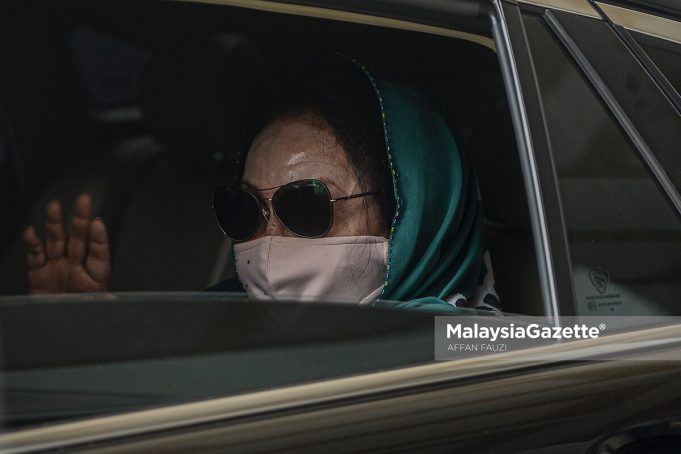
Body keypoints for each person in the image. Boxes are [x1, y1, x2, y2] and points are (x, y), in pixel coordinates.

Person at [22, 54, 499, 312]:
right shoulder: (220, 322)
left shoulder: (475, 359)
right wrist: (88, 341)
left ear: (410, 211)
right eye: (243, 210)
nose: (266, 245)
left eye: (307, 206)